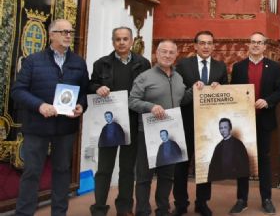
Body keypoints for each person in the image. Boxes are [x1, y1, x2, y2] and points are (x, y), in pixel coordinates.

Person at [11, 18, 89, 216]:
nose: (68, 35)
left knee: (62, 172)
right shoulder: (33, 61)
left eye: (70, 32)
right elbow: (18, 91)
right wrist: (40, 105)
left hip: (65, 128)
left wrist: (81, 105)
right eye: (63, 32)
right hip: (36, 127)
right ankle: (24, 213)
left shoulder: (79, 62)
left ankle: (59, 213)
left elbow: (85, 92)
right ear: (51, 34)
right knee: (32, 172)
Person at [129, 40, 199, 216]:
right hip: (148, 133)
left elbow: (182, 100)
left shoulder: (178, 78)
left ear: (176, 56)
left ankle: (163, 210)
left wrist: (194, 90)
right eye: (164, 52)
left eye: (171, 52)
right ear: (156, 54)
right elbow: (132, 101)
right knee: (144, 177)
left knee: (167, 176)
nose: (167, 55)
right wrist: (150, 107)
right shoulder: (145, 77)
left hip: (172, 134)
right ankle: (143, 211)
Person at [89, 26, 151, 216]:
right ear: (113, 41)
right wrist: (97, 87)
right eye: (118, 39)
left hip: (132, 123)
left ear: (132, 41)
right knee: (104, 169)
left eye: (125, 39)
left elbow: (147, 90)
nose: (122, 42)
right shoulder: (101, 64)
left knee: (127, 170)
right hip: (109, 126)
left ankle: (124, 208)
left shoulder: (143, 63)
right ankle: (99, 208)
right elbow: (90, 84)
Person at [173, 30, 228, 216]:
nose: (206, 46)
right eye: (202, 43)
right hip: (186, 122)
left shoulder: (221, 68)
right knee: (181, 165)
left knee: (205, 164)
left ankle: (202, 202)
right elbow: (178, 95)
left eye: (209, 43)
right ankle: (181, 203)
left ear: (213, 46)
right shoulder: (182, 66)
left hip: (209, 125)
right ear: (195, 45)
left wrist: (220, 89)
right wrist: (191, 89)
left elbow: (226, 97)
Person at [229, 32, 280, 215]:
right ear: (248, 45)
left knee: (264, 159)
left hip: (264, 119)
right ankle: (241, 199)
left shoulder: (274, 67)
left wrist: (267, 101)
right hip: (243, 120)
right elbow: (233, 92)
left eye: (259, 42)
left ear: (264, 46)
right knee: (242, 159)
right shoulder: (238, 67)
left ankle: (266, 199)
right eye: (252, 42)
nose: (255, 45)